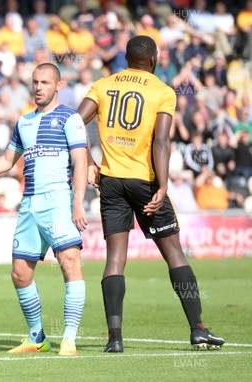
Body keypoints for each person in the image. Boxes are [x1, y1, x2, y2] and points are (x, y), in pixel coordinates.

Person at [76, 35, 224, 352]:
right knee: (174, 254)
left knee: (115, 259)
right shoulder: (161, 90)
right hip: (144, 180)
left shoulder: (103, 85)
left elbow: (73, 123)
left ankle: (114, 339)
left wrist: (90, 162)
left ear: (126, 58)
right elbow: (161, 142)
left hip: (111, 180)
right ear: (153, 59)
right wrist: (164, 184)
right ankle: (198, 329)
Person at [0, 63, 88, 356]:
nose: (38, 87)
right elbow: (6, 161)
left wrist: (77, 202)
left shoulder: (70, 117)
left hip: (56, 200)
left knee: (69, 262)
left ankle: (69, 337)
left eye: (44, 82)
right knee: (19, 273)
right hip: (29, 203)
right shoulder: (24, 121)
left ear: (58, 85)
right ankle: (37, 337)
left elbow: (81, 162)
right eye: (35, 82)